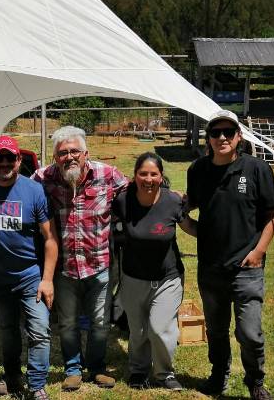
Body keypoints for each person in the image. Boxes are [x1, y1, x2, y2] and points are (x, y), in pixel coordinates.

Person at [185, 110, 274, 400]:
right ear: (209, 138)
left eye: (228, 132)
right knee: (215, 330)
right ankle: (218, 376)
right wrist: (170, 209)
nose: (222, 137)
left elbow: (273, 214)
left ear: (239, 136)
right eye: (216, 133)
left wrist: (259, 250)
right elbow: (189, 210)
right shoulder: (198, 171)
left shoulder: (256, 169)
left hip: (247, 267)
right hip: (211, 268)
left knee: (249, 333)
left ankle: (255, 381)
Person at [32, 126, 129, 391]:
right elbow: (17, 189)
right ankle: (73, 368)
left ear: (86, 153)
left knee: (100, 322)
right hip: (65, 267)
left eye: (75, 151)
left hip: (99, 266)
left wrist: (168, 194)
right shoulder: (43, 178)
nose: (69, 157)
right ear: (55, 157)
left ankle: (97, 367)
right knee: (67, 323)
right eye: (63, 153)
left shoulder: (108, 175)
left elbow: (138, 191)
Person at [0, 136, 59, 400]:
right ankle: (12, 378)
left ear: (19, 160)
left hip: (30, 277)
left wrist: (47, 280)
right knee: (8, 330)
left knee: (39, 330)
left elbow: (50, 239)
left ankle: (36, 386)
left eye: (9, 158)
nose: (4, 163)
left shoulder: (34, 191)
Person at [111, 152, 196, 391]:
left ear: (161, 177)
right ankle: (138, 371)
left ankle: (164, 373)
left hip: (168, 278)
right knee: (137, 331)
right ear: (135, 176)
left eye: (154, 174)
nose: (148, 179)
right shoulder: (123, 201)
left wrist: (221, 234)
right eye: (143, 173)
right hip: (133, 277)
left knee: (160, 329)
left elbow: (190, 227)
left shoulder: (172, 201)